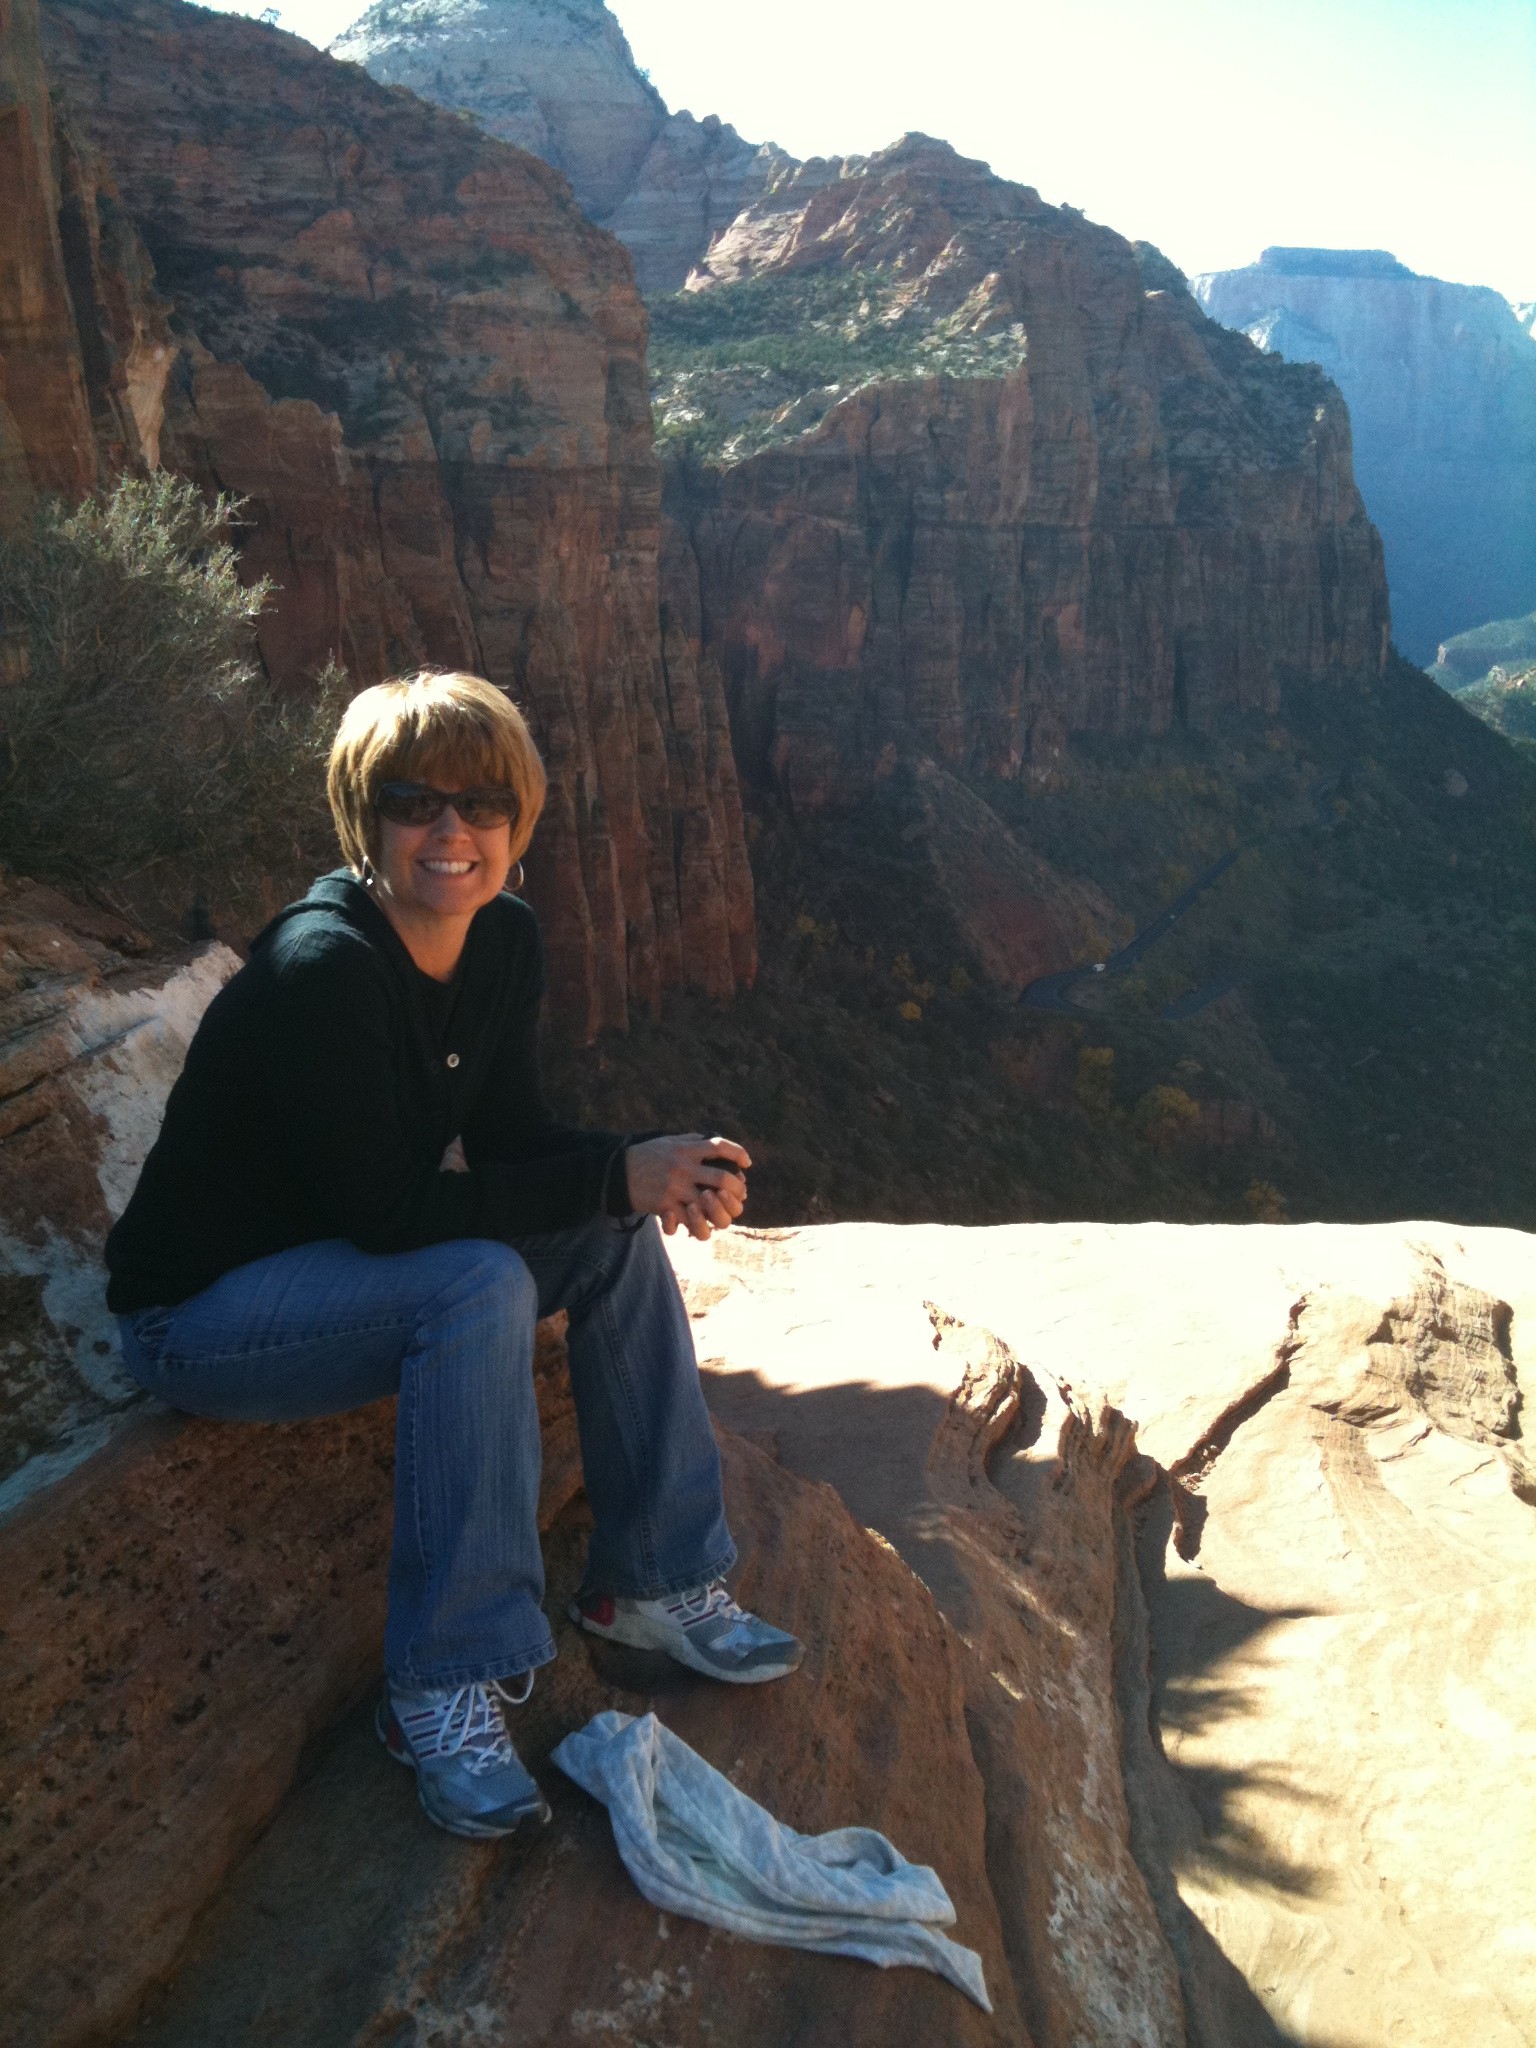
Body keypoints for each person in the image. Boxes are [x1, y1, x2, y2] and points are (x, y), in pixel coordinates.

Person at [105, 669, 802, 1841]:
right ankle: (439, 1680)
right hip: (205, 1316)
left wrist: (649, 1166)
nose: (450, 829)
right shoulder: (324, 965)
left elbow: (515, 1137)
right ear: (364, 815)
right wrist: (610, 1174)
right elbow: (391, 1212)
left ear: (518, 823)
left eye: (482, 803)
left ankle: (655, 1580)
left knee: (612, 1232)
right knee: (479, 1283)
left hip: (342, 1261)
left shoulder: (501, 937)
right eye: (413, 800)